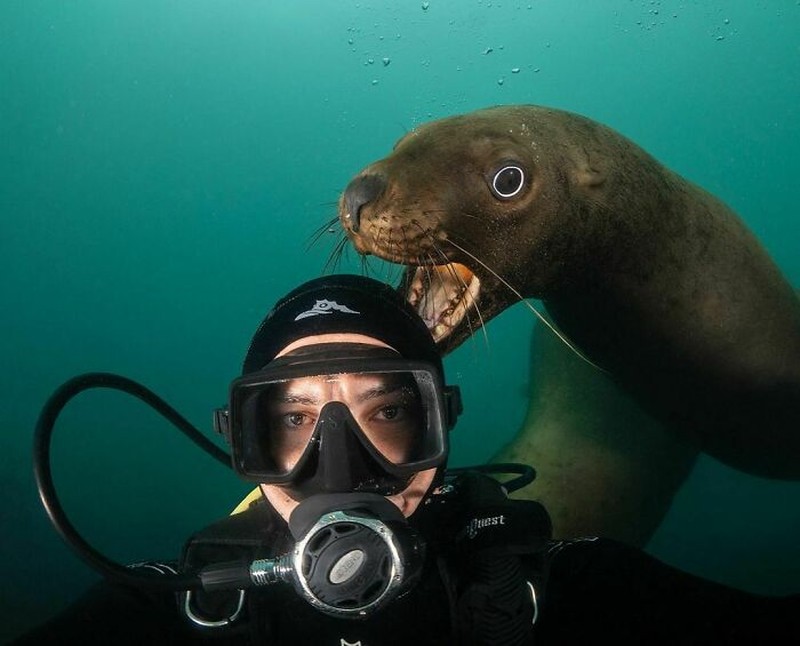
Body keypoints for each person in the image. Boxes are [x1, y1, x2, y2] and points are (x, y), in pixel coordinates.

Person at [15, 275, 799, 645]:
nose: (338, 463)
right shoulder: (173, 612)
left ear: (441, 427)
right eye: (291, 420)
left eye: (388, 413)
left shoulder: (577, 591)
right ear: (243, 447)